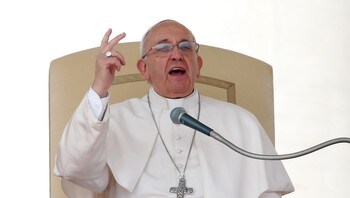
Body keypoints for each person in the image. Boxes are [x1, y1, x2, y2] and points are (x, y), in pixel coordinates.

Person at [54, 19, 294, 197]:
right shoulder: (115, 120)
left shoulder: (241, 123)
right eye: (163, 48)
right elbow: (76, 170)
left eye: (186, 47)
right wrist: (99, 87)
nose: (177, 54)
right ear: (144, 69)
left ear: (197, 66)